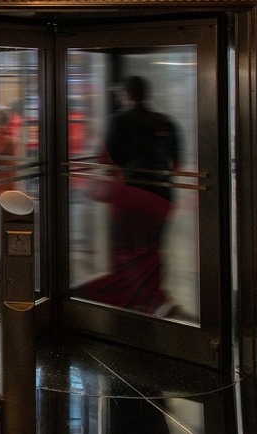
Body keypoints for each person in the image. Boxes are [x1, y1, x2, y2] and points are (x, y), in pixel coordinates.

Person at [77, 76, 182, 316]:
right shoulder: (166, 121)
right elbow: (176, 163)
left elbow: (103, 158)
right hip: (162, 199)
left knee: (126, 252)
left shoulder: (118, 122)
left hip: (129, 198)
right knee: (153, 252)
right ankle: (152, 299)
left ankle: (136, 300)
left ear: (125, 94)